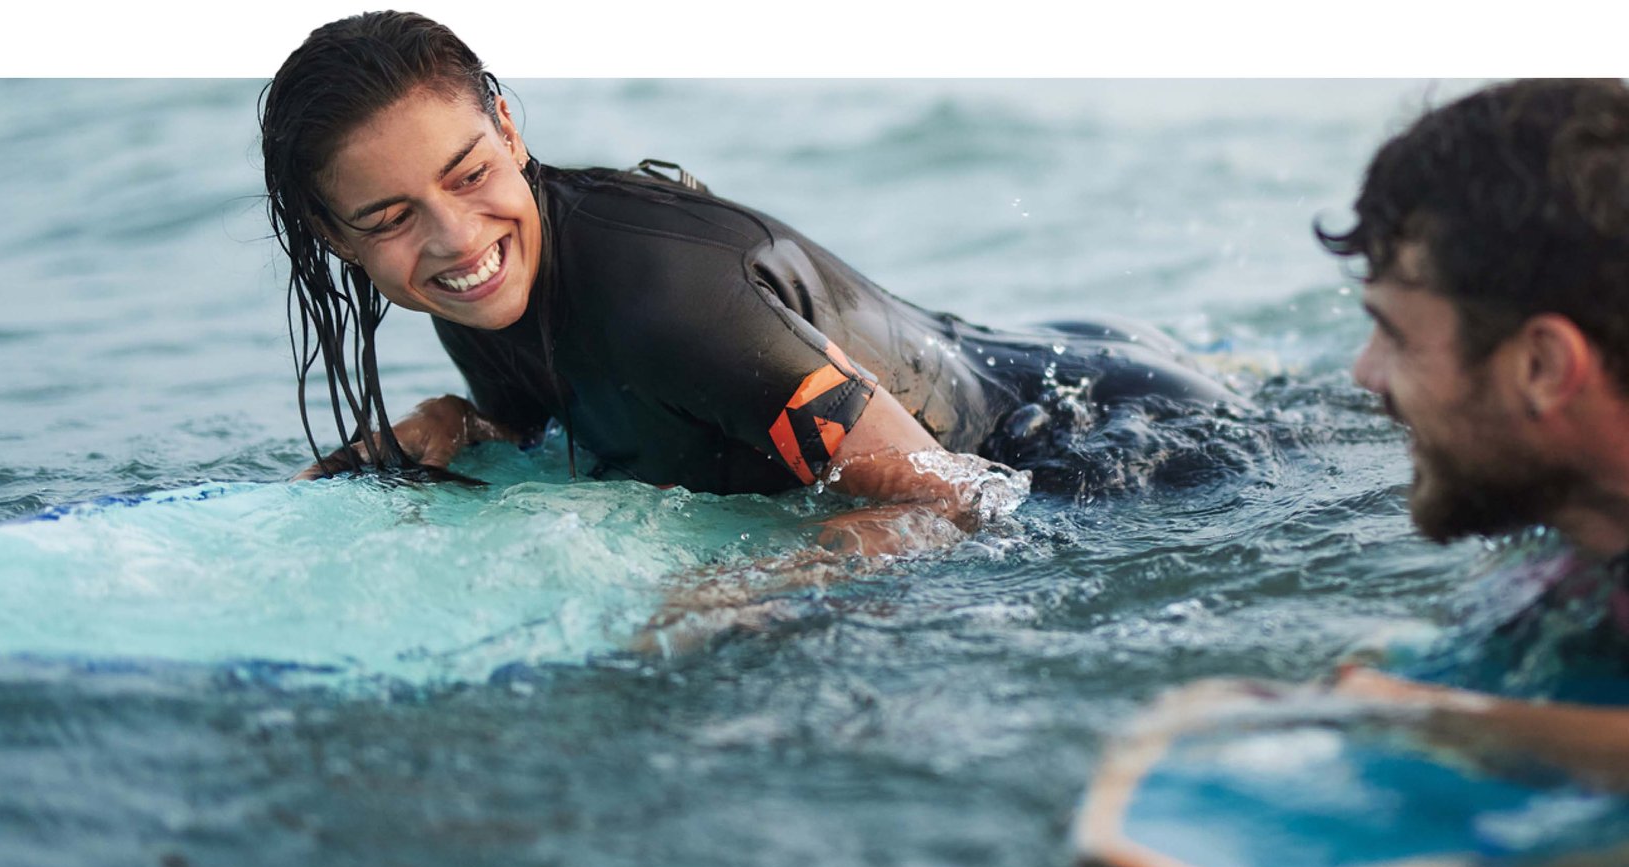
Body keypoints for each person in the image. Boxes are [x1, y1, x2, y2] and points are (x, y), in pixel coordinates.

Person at [259, 11, 1243, 557]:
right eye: (389, 218)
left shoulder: (665, 298)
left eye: (470, 173)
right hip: (1004, 361)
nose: (454, 236)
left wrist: (767, 585)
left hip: (1094, 435)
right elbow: (601, 410)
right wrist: (458, 425)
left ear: (511, 132)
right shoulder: (481, 284)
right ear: (332, 234)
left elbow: (960, 494)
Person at [1147, 78, 1629, 780]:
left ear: (1543, 365)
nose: (1363, 373)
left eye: (1393, 335)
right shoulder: (1578, 538)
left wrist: (1409, 714)